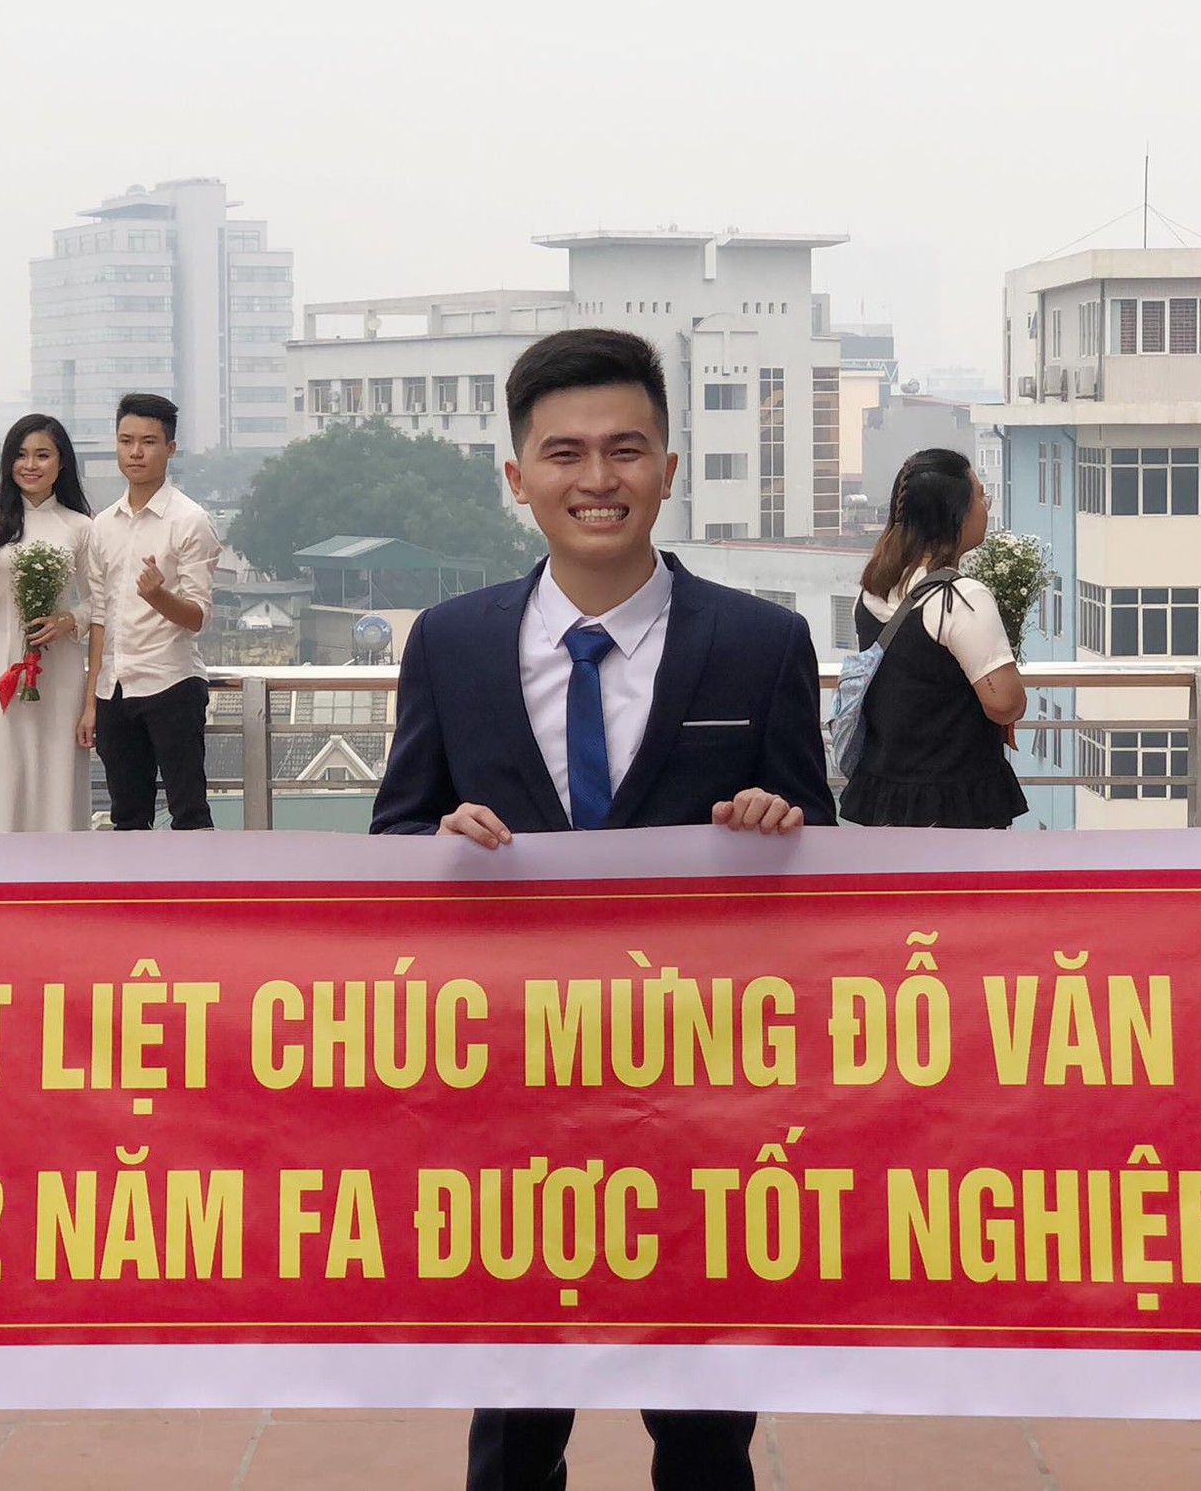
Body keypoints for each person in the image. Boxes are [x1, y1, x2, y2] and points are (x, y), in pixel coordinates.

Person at [370, 327, 835, 1491]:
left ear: (668, 468)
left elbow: (826, 866)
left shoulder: (761, 642)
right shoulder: (451, 643)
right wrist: (436, 849)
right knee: (515, 1422)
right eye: (564, 452)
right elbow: (392, 841)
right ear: (516, 475)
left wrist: (779, 826)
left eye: (624, 449)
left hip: (702, 1087)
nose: (597, 478)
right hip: (510, 1085)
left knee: (703, 1423)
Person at [842, 448, 1027, 829]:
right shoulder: (959, 598)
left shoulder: (873, 589)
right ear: (955, 513)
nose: (985, 507)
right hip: (952, 802)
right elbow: (1005, 703)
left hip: (885, 792)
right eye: (980, 497)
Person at [86, 392, 221, 831]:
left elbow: (198, 616)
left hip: (171, 683)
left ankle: (197, 879)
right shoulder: (102, 525)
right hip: (114, 690)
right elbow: (99, 617)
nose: (136, 452)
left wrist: (157, 595)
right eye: (126, 441)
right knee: (127, 819)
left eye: (148, 442)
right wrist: (91, 701)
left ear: (170, 448)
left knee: (189, 814)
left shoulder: (189, 520)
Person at [0, 414, 97, 833]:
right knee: (3, 774)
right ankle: (0, 866)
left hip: (60, 672)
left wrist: (68, 621)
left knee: (58, 774)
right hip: (1, 666)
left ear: (62, 463)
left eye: (43, 455)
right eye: (21, 455)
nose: (30, 465)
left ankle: (61, 865)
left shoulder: (79, 526)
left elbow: (100, 601)